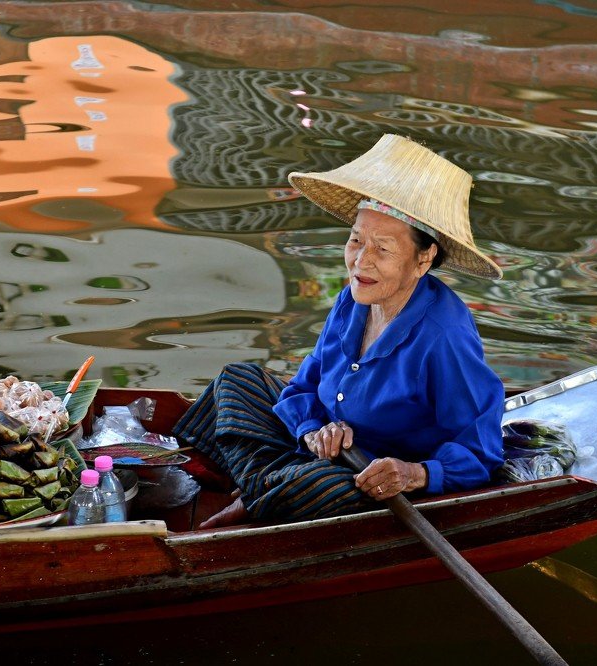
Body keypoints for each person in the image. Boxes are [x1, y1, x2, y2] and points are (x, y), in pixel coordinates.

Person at [175, 134, 506, 528]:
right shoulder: (355, 298)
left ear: (422, 259)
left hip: (367, 477)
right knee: (237, 381)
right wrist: (314, 429)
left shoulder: (443, 336)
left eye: (382, 249)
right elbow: (303, 386)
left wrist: (413, 473)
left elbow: (482, 451)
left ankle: (262, 489)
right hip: (323, 453)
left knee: (323, 486)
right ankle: (267, 486)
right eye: (355, 240)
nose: (360, 262)